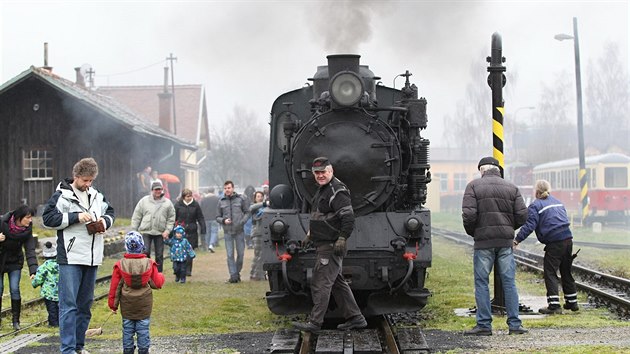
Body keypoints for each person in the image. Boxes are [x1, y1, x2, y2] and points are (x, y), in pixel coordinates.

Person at [42, 157, 115, 354]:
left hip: (92, 257)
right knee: (69, 305)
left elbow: (111, 212)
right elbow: (48, 219)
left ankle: (78, 346)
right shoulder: (61, 196)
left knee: (85, 306)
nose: (88, 184)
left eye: (91, 180)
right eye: (85, 180)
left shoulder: (97, 195)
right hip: (70, 257)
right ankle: (67, 349)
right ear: (76, 177)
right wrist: (75, 217)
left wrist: (104, 223)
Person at [292, 157, 367, 333]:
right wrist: (310, 235)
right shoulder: (323, 190)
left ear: (331, 170)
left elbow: (348, 217)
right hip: (323, 243)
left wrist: (342, 239)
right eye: (317, 173)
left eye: (323, 172)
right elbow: (320, 216)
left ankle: (315, 323)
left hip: (331, 246)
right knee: (337, 283)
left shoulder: (337, 190)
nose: (320, 175)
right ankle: (356, 318)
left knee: (320, 283)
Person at [461, 156, 528, 336]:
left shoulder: (473, 186)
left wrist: (474, 232)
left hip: (483, 242)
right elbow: (522, 215)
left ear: (482, 170)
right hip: (505, 243)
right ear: (498, 170)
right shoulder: (512, 188)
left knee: (482, 283)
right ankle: (515, 325)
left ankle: (484, 325)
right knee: (509, 282)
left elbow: (468, 215)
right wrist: (508, 229)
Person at [514, 179, 579, 314]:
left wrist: (517, 240)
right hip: (568, 239)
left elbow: (530, 225)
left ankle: (554, 306)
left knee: (550, 272)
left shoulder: (535, 205)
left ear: (536, 191)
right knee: (566, 271)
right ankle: (572, 303)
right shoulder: (558, 202)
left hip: (554, 242)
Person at [108, 231, 165, 354]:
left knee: (127, 329)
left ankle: (128, 350)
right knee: (143, 328)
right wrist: (161, 276)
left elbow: (115, 287)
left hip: (127, 306)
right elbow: (157, 284)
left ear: (126, 247)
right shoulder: (149, 263)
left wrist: (113, 305)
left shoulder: (120, 265)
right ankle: (143, 350)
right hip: (144, 306)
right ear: (142, 246)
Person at [0, 204, 39, 330]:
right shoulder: (2, 222)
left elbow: (30, 250)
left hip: (15, 262)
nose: (30, 220)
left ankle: (16, 321)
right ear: (19, 217)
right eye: (28, 217)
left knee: (14, 288)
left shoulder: (27, 231)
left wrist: (33, 269)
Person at [131, 181, 176, 273]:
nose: (158, 191)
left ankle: (158, 275)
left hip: (160, 232)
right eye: (156, 189)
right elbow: (137, 215)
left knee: (159, 255)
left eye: (160, 189)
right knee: (145, 252)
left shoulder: (168, 203)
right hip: (146, 231)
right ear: (152, 190)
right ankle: (147, 272)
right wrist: (134, 230)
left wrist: (167, 231)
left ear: (162, 190)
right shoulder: (144, 201)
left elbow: (171, 218)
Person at [217, 180, 250, 283]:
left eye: (229, 188)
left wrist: (242, 221)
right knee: (230, 255)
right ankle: (233, 276)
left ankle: (237, 273)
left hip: (239, 231)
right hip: (227, 232)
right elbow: (217, 216)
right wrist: (223, 220)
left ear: (233, 188)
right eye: (225, 188)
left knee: (240, 254)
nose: (227, 190)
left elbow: (247, 212)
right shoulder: (221, 201)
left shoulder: (241, 199)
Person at [173, 188, 205, 276]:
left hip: (192, 231)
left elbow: (200, 217)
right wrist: (172, 229)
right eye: (187, 196)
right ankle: (178, 269)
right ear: (183, 197)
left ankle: (188, 270)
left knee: (189, 251)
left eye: (190, 196)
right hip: (180, 231)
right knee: (179, 250)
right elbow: (173, 218)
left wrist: (203, 228)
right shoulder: (178, 205)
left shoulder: (195, 205)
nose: (189, 198)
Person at [32, 241, 60, 327]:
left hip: (48, 293)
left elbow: (38, 280)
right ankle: (61, 322)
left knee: (51, 309)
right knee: (60, 308)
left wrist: (34, 282)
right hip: (61, 292)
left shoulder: (43, 267)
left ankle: (53, 324)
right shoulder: (60, 265)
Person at [249, 191, 267, 281]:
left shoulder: (265, 208)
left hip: (264, 233)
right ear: (255, 198)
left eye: (261, 196)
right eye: (258, 196)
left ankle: (257, 274)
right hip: (257, 233)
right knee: (258, 255)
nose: (259, 198)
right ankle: (255, 274)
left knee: (261, 255)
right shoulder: (255, 208)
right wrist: (264, 204)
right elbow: (251, 208)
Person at [200, 187, 220, 252]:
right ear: (214, 191)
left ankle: (208, 245)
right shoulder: (217, 199)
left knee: (207, 232)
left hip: (206, 218)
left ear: (207, 191)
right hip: (214, 217)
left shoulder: (203, 199)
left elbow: (201, 209)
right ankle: (211, 245)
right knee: (214, 232)